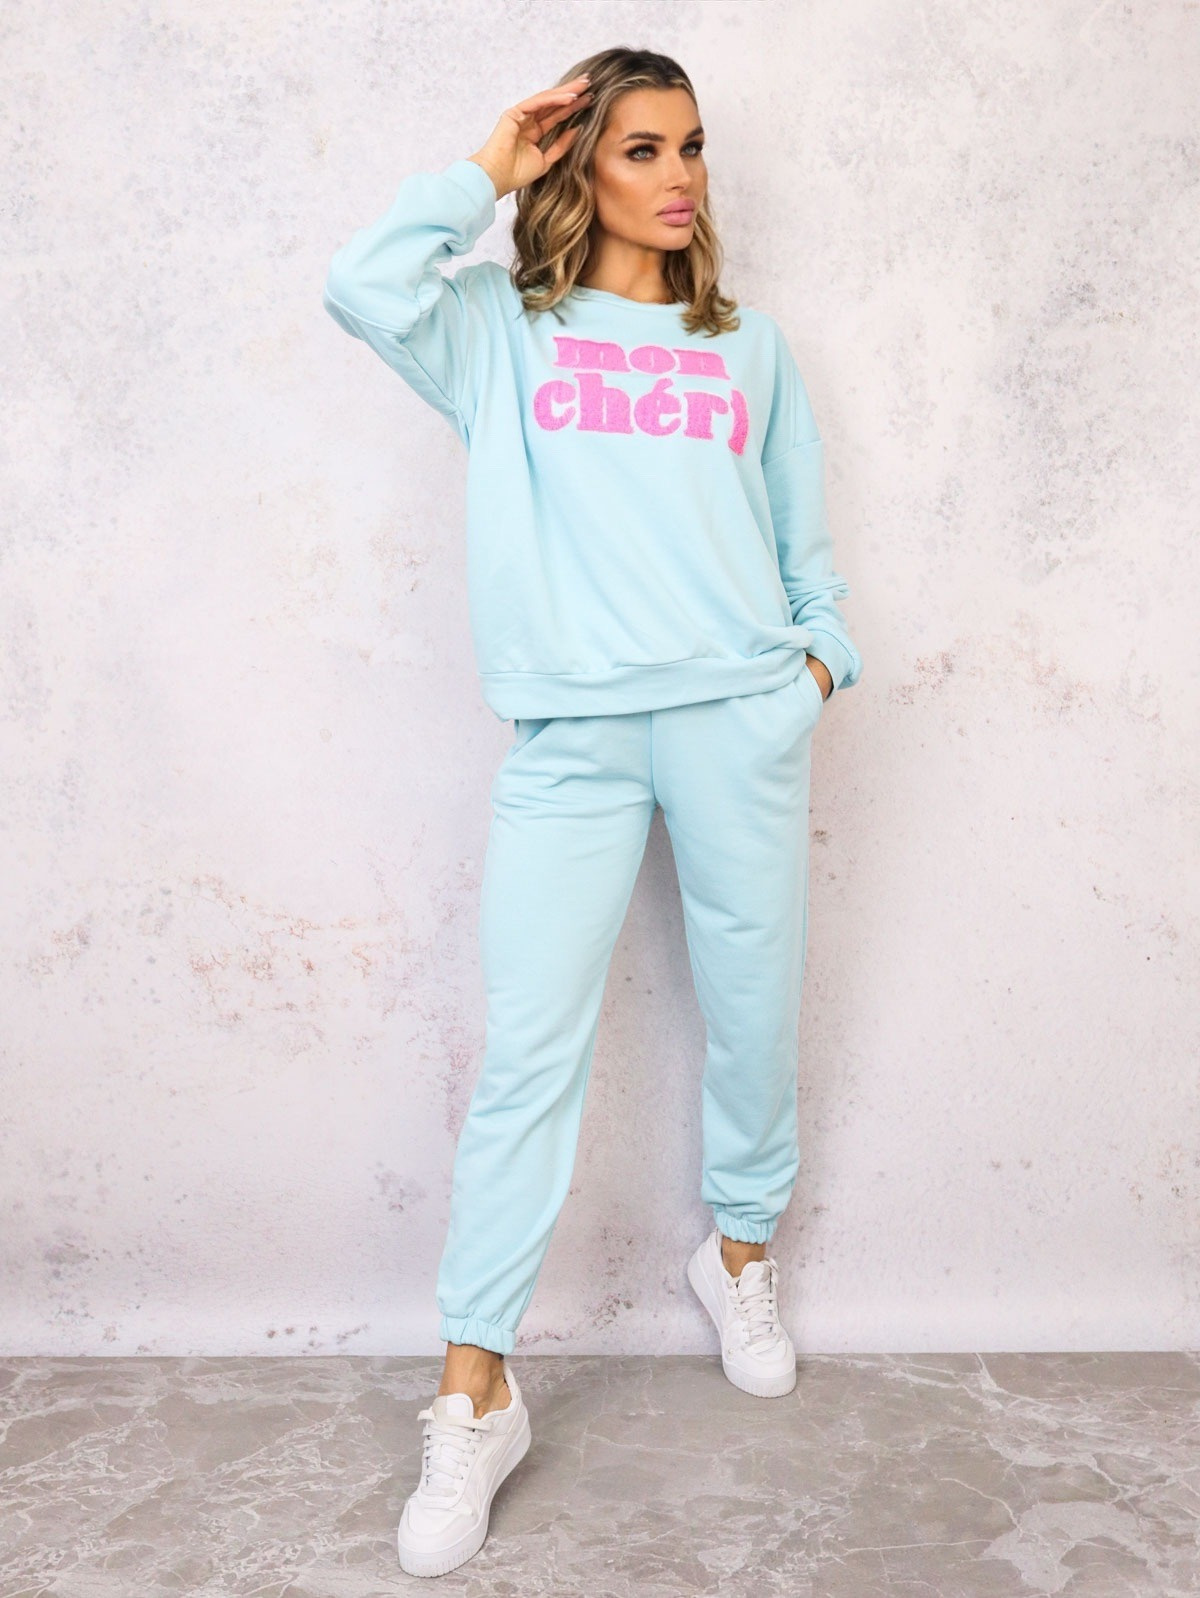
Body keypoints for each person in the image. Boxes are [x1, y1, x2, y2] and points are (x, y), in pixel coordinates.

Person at [323, 45, 863, 1579]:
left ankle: (737, 1253)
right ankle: (474, 1392)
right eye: (641, 148)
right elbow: (361, 285)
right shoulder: (501, 333)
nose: (679, 175)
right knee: (529, 1056)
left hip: (739, 716)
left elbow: (806, 547)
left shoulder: (750, 347)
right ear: (580, 168)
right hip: (573, 733)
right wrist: (484, 167)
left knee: (753, 1004)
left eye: (691, 146)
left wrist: (814, 666)